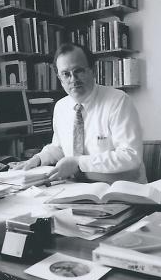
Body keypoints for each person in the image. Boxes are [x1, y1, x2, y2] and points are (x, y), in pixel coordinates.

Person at [15, 43, 147, 184]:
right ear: (60, 79)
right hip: (77, 188)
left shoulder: (118, 101)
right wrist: (38, 159)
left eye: (78, 71)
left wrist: (78, 163)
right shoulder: (61, 107)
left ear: (92, 70)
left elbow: (130, 156)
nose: (73, 79)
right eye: (66, 74)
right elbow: (59, 148)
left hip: (121, 188)